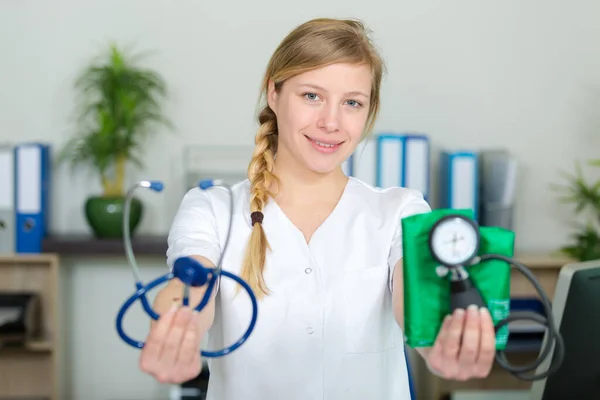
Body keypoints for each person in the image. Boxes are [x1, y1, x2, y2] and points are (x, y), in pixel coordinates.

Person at [139, 17, 497, 399]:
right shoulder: (212, 209)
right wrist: (181, 327)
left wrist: (440, 343)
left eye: (352, 103)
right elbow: (190, 285)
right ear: (273, 93)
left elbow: (418, 302)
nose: (331, 122)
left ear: (369, 111)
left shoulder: (401, 211)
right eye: (312, 96)